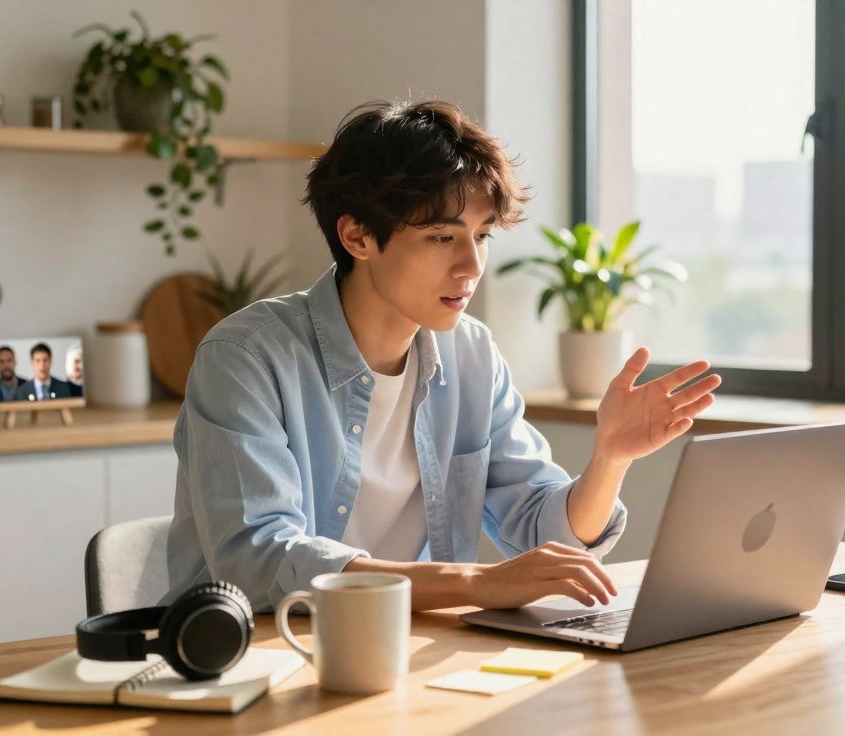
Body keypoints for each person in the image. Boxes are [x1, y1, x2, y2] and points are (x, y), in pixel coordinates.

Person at [165, 100, 721, 614]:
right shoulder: (245, 358)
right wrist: (473, 583)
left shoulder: (471, 353)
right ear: (357, 237)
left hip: (412, 651)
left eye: (481, 236)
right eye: (440, 237)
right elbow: (260, 561)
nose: (471, 266)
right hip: (257, 656)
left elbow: (540, 531)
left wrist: (610, 458)